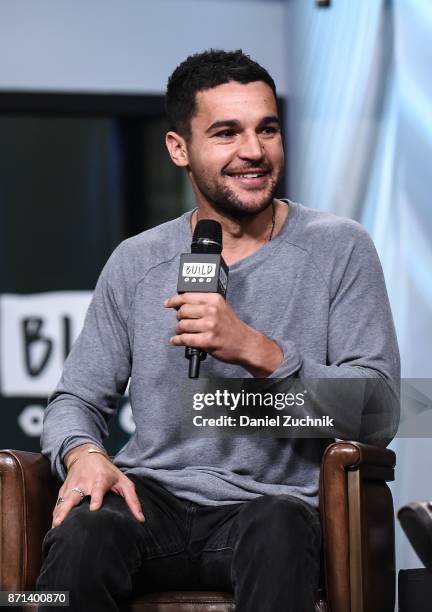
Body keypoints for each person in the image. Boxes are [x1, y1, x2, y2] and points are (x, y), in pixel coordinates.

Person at [36, 49, 400, 612]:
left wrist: (258, 350)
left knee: (278, 527)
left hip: (270, 505)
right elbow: (75, 399)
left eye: (267, 129)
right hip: (149, 503)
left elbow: (380, 414)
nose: (253, 151)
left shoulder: (339, 247)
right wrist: (83, 453)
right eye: (227, 133)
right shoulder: (137, 260)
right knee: (84, 535)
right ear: (179, 148)